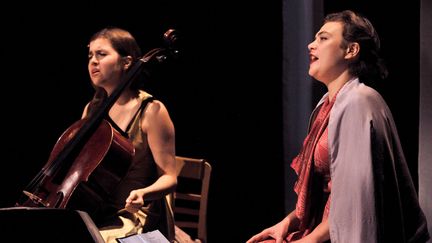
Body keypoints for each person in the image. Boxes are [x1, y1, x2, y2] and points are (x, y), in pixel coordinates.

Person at [246, 10, 430, 243]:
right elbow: (328, 194)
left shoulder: (359, 102)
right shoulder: (327, 106)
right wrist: (287, 222)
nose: (311, 45)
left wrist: (310, 240)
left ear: (351, 50)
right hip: (326, 229)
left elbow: (356, 204)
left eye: (323, 38)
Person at [81, 27, 177, 242]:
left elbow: (170, 177)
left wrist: (143, 194)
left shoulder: (151, 110)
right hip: (95, 210)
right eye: (90, 56)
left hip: (133, 215)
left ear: (126, 62)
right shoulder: (92, 110)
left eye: (102, 54)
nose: (93, 61)